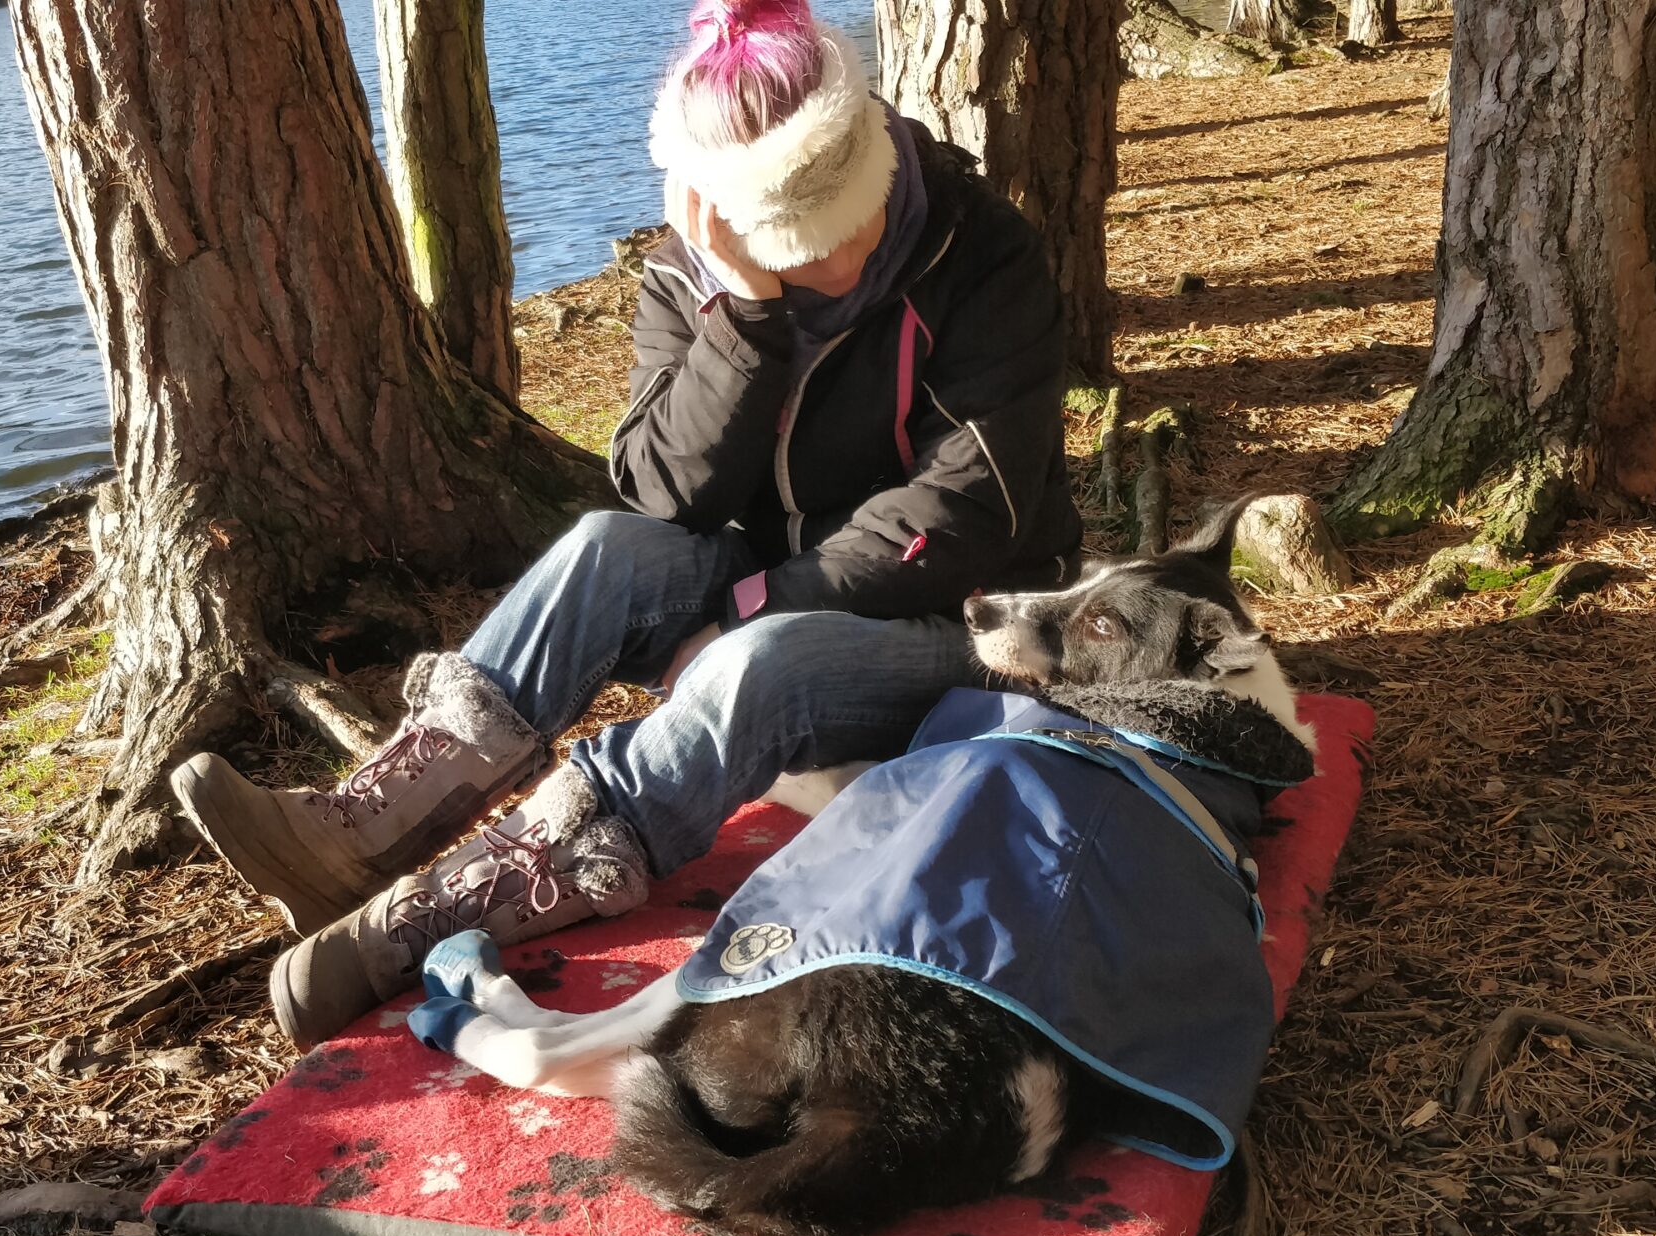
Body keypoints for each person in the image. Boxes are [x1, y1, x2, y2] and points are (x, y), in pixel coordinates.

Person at [173, 0, 1083, 1049]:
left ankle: (438, 911)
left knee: (767, 663)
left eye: (841, 227)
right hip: (784, 590)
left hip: (977, 627)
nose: (829, 266)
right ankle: (357, 837)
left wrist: (750, 608)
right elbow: (660, 489)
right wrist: (743, 317)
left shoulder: (984, 254)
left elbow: (960, 514)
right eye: (786, 242)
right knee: (606, 547)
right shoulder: (685, 274)